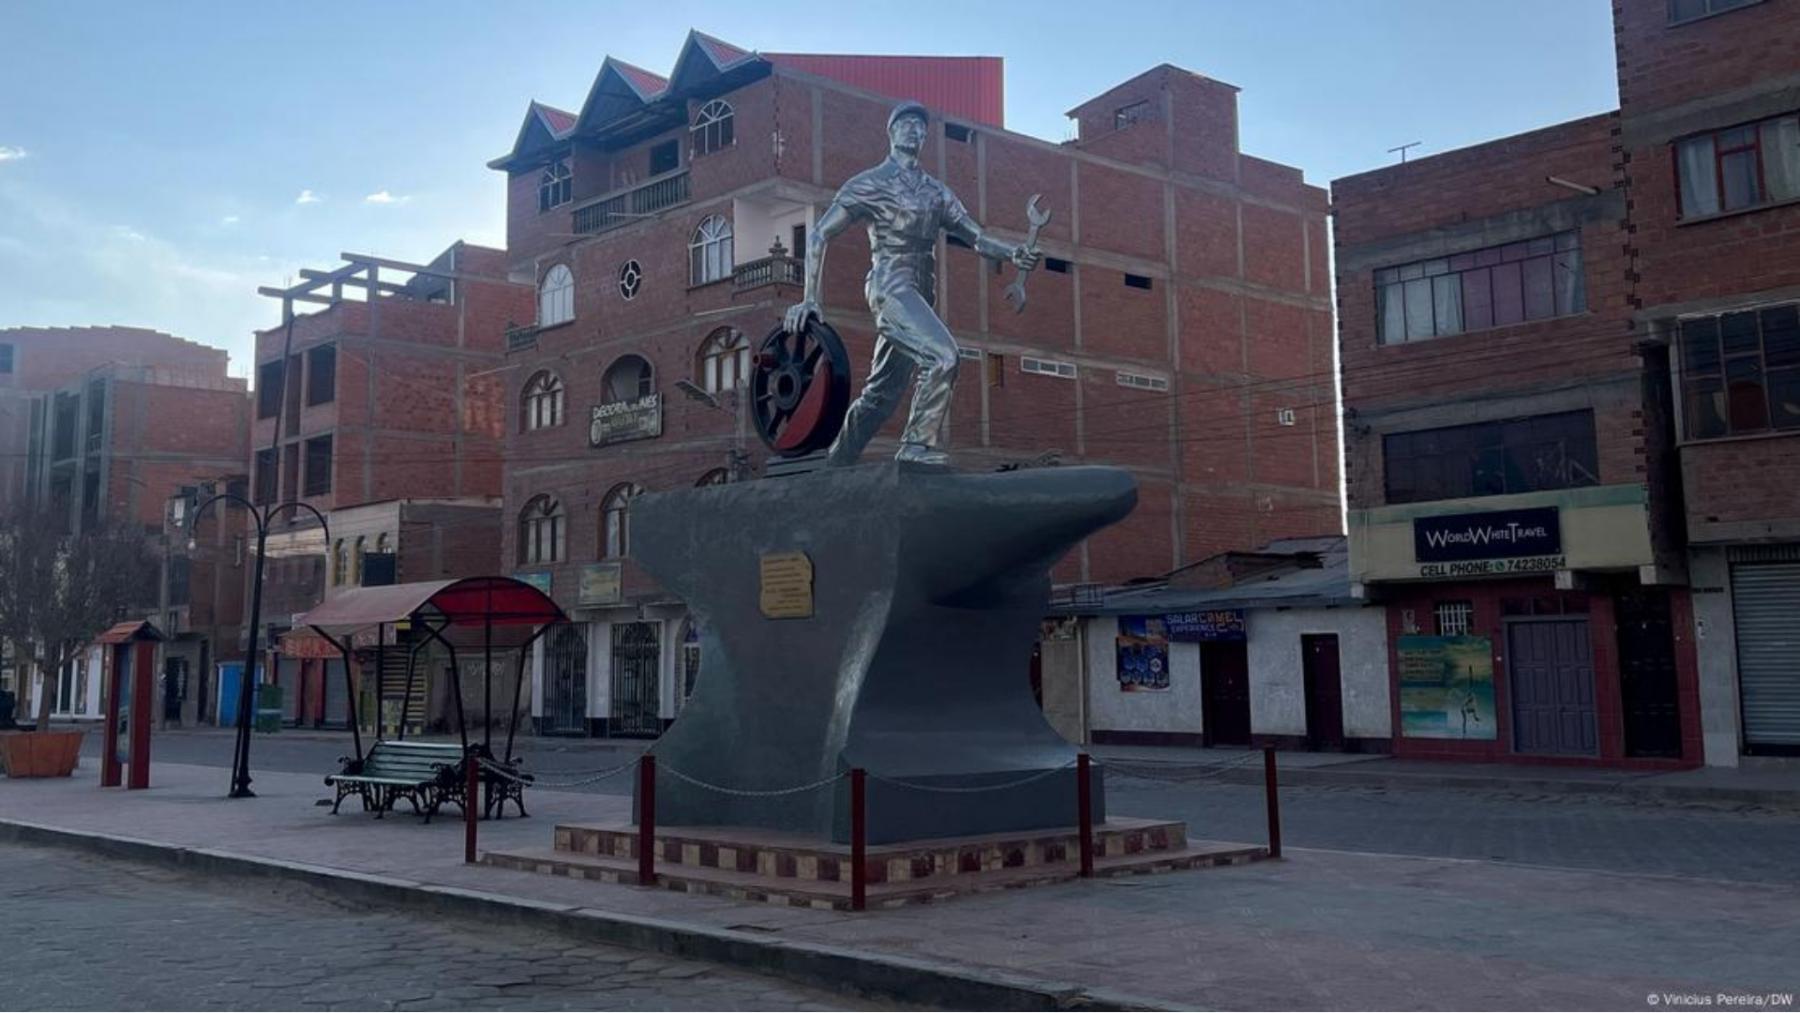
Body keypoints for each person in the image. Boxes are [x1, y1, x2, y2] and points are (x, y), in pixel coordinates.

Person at [785, 101, 1041, 466]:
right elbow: (820, 236)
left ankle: (834, 465)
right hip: (890, 288)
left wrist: (1014, 253)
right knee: (943, 357)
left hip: (921, 293)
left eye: (920, 126)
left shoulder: (936, 192)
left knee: (880, 395)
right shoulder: (869, 183)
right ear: (891, 132)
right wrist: (809, 297)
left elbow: (978, 238)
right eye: (905, 123)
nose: (914, 130)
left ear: (925, 137)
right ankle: (916, 447)